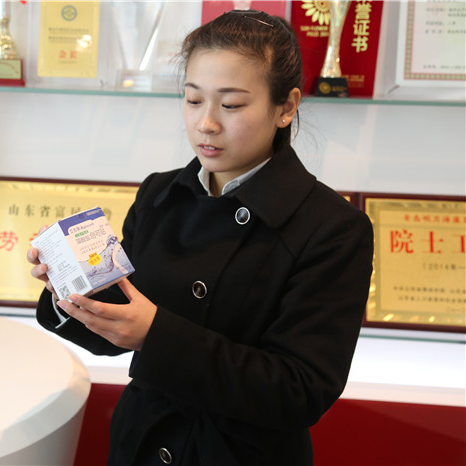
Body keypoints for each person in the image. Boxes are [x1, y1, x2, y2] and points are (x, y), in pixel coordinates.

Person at [27, 9, 373, 466]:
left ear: (286, 107)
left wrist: (156, 336)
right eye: (193, 100)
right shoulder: (159, 193)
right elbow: (117, 332)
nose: (206, 123)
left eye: (231, 105)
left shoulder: (332, 228)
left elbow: (300, 391)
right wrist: (69, 288)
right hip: (143, 443)